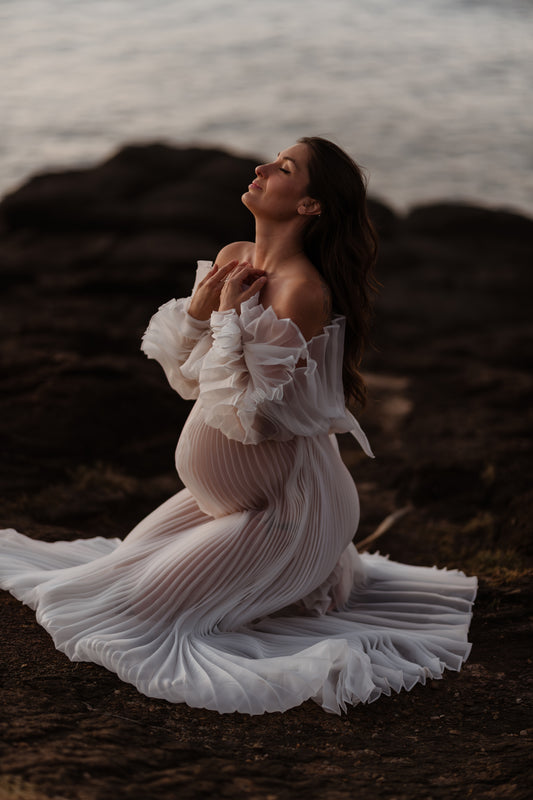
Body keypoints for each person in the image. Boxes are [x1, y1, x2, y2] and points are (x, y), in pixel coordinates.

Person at [0, 137, 476, 715]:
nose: (261, 168)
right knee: (94, 584)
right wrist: (201, 314)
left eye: (284, 168)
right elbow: (189, 382)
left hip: (288, 510)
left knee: (133, 616)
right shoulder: (234, 254)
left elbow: (258, 419)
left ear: (310, 206)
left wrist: (226, 318)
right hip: (221, 502)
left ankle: (301, 565)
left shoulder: (303, 292)